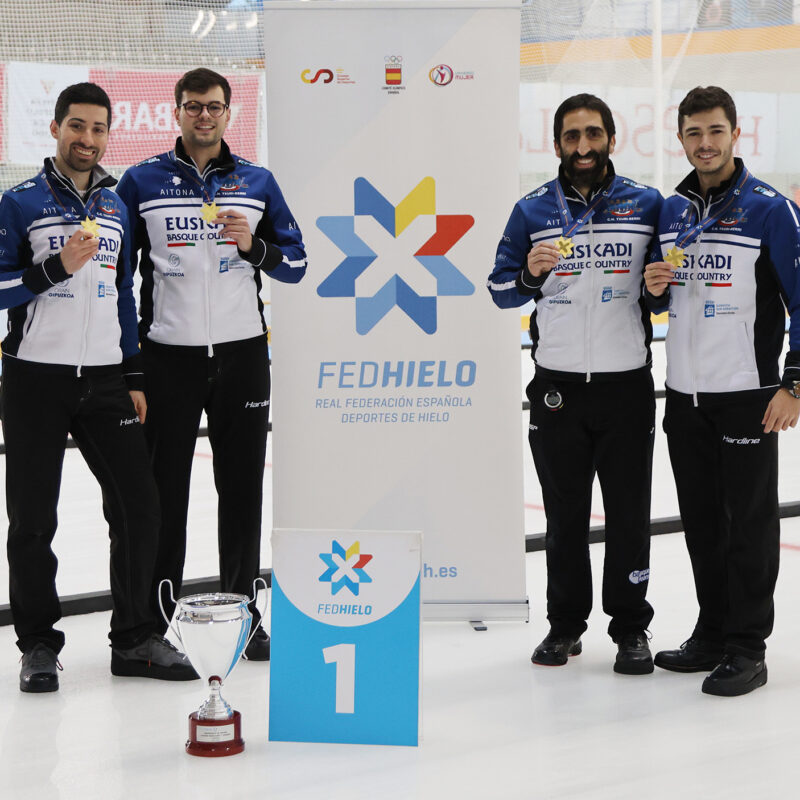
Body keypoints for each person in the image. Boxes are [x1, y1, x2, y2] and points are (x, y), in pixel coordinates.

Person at [0, 82, 198, 692]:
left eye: (98, 129)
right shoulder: (19, 202)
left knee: (140, 507)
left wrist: (133, 374)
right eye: (77, 127)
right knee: (33, 519)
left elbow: (120, 299)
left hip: (107, 380)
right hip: (35, 377)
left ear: (110, 134)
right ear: (56, 129)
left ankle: (134, 638)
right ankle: (37, 645)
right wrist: (57, 267)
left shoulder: (114, 207)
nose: (88, 140)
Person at [116, 68, 307, 660]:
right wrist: (131, 366)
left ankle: (245, 615)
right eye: (194, 106)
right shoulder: (142, 181)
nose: (205, 116)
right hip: (167, 357)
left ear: (230, 114)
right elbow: (117, 274)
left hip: (243, 353)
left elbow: (296, 264)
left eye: (215, 107)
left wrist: (255, 246)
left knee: (242, 488)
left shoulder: (258, 181)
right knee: (164, 493)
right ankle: (159, 622)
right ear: (176, 112)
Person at [487, 94, 662, 674]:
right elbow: (498, 291)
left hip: (626, 387)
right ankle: (565, 627)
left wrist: (662, 286)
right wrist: (529, 273)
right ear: (556, 143)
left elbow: (663, 292)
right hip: (558, 386)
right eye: (571, 137)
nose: (582, 147)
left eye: (592, 134)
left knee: (630, 514)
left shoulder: (647, 203)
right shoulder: (531, 209)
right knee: (563, 517)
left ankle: (631, 628)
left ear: (612, 137)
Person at [644, 86, 800, 696]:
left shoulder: (769, 208)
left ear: (737, 134)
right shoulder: (673, 209)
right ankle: (711, 632)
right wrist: (656, 288)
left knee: (749, 523)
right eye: (693, 133)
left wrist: (794, 383)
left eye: (715, 131)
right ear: (679, 139)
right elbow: (662, 296)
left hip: (747, 392)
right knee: (703, 520)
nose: (704, 144)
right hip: (684, 394)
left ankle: (747, 646)